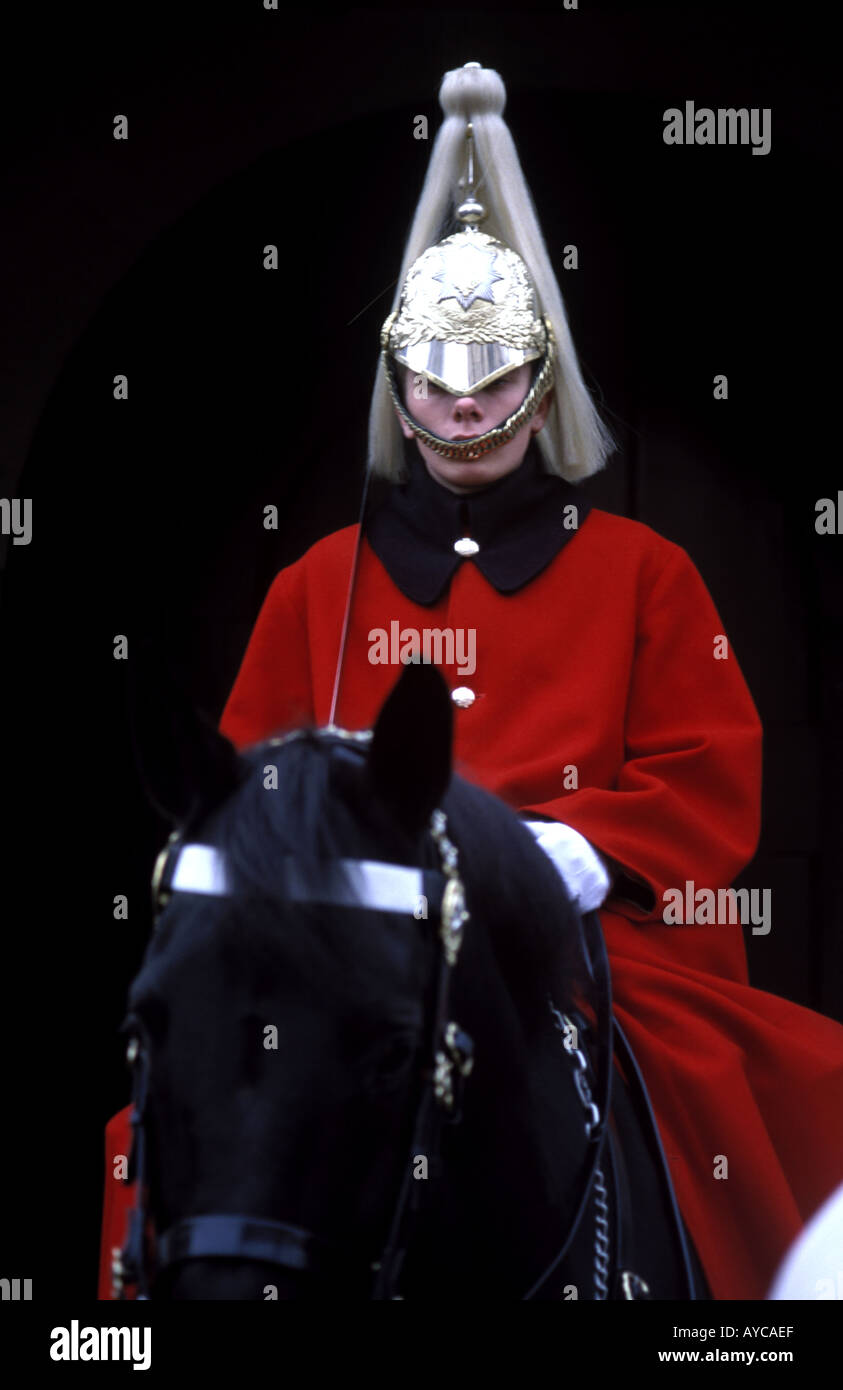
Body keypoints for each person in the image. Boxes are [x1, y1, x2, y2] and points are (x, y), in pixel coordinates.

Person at [98, 62, 843, 1301]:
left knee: (785, 1106)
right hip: (363, 945)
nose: (462, 405)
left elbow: (711, 775)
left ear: (539, 383)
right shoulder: (314, 586)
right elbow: (245, 799)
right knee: (159, 1133)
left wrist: (578, 851)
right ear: (399, 384)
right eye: (437, 380)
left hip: (595, 945)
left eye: (491, 379)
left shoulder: (647, 574)